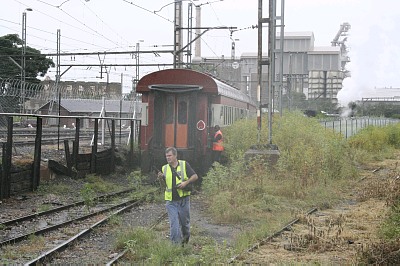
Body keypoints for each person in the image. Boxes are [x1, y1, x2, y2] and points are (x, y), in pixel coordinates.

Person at [158, 147, 198, 245]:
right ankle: (175, 247)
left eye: (170, 156)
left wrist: (185, 183)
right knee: (174, 225)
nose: (168, 158)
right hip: (171, 201)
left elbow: (195, 176)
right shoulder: (164, 168)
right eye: (166, 156)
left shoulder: (184, 164)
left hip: (183, 200)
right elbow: (163, 186)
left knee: (185, 225)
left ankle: (184, 242)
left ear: (175, 156)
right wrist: (160, 179)